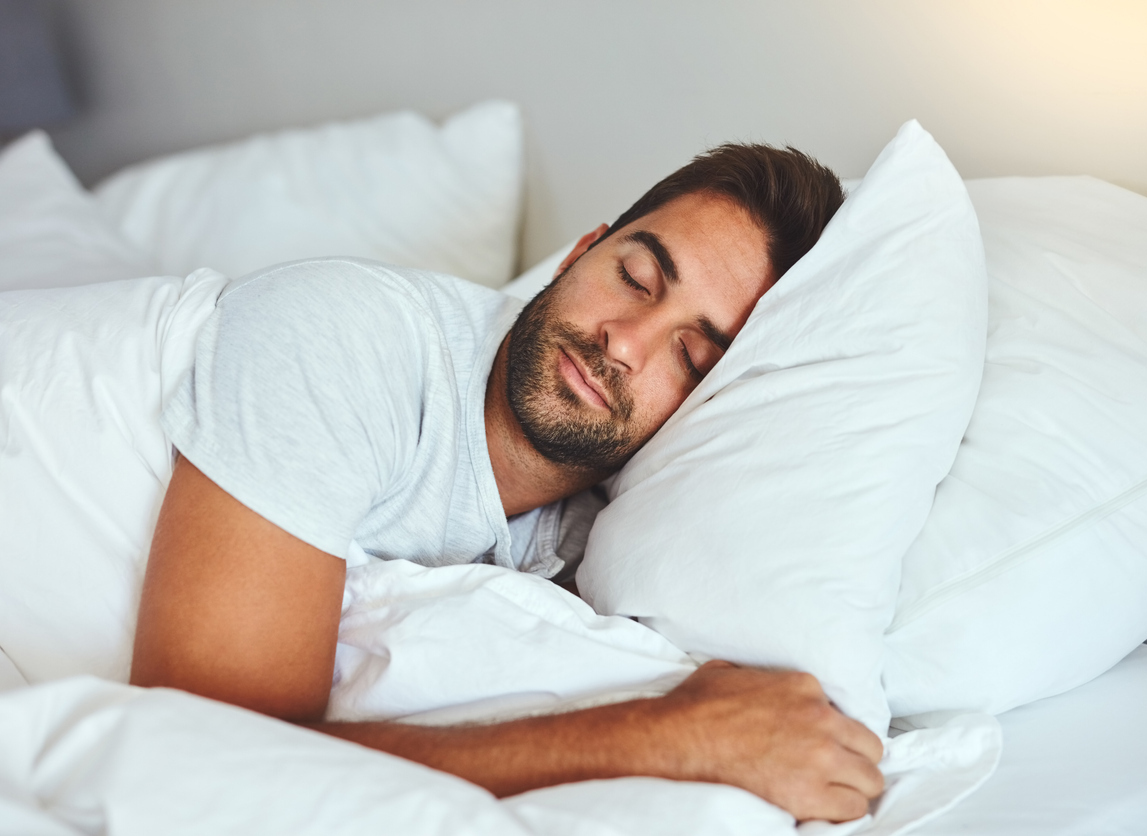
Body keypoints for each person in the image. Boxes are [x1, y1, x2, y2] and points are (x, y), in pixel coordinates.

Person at [129, 143, 885, 822]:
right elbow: (201, 759)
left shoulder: (597, 554)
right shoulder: (342, 337)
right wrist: (667, 738)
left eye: (691, 358)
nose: (624, 342)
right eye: (635, 277)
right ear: (580, 252)